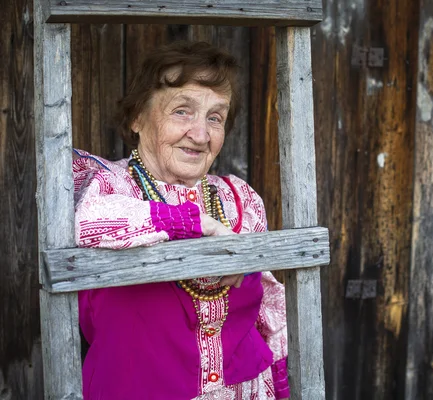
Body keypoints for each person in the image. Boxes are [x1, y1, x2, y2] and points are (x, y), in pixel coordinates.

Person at [73, 41, 289, 400]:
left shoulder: (240, 200)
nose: (201, 134)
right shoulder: (109, 187)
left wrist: (281, 384)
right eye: (182, 112)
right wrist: (197, 224)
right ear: (137, 118)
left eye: (215, 118)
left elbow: (269, 302)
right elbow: (85, 224)